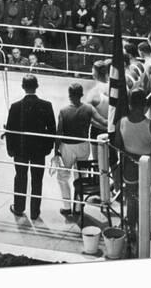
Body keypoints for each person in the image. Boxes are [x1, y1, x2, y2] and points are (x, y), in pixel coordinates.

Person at [114, 90, 151, 253]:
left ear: (131, 104)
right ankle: (143, 231)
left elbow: (118, 146)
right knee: (144, 199)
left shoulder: (121, 122)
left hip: (129, 165)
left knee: (131, 199)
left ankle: (130, 230)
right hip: (145, 165)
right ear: (145, 104)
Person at [6, 75, 56, 220]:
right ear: (37, 86)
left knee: (20, 178)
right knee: (37, 180)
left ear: (23, 87)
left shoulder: (16, 107)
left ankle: (19, 207)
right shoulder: (46, 105)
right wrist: (48, 148)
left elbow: (10, 130)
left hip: (20, 149)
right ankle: (35, 212)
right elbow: (52, 129)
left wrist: (10, 149)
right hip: (39, 150)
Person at [54, 83, 107, 215]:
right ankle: (78, 208)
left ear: (69, 95)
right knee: (80, 177)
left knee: (63, 177)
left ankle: (67, 207)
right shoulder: (88, 109)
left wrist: (56, 151)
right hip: (83, 145)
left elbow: (59, 132)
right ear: (81, 95)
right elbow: (102, 121)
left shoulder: (63, 111)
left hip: (67, 146)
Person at [86, 60, 109, 158]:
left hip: (97, 129)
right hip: (112, 128)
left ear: (95, 72)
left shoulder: (93, 93)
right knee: (113, 160)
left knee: (97, 161)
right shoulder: (115, 89)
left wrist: (101, 125)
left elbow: (88, 116)